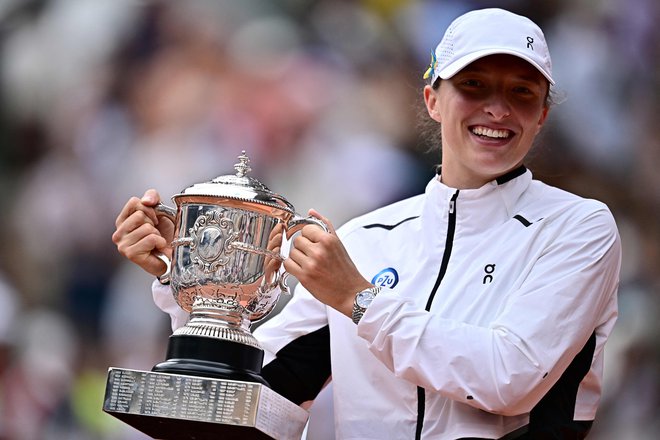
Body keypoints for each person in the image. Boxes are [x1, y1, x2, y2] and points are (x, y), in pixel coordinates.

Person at [112, 8, 621, 439]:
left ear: (543, 115)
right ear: (432, 99)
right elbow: (252, 407)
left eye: (522, 92)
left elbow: (509, 379)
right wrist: (188, 283)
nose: (497, 108)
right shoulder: (365, 240)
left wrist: (359, 301)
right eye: (474, 85)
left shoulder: (579, 228)